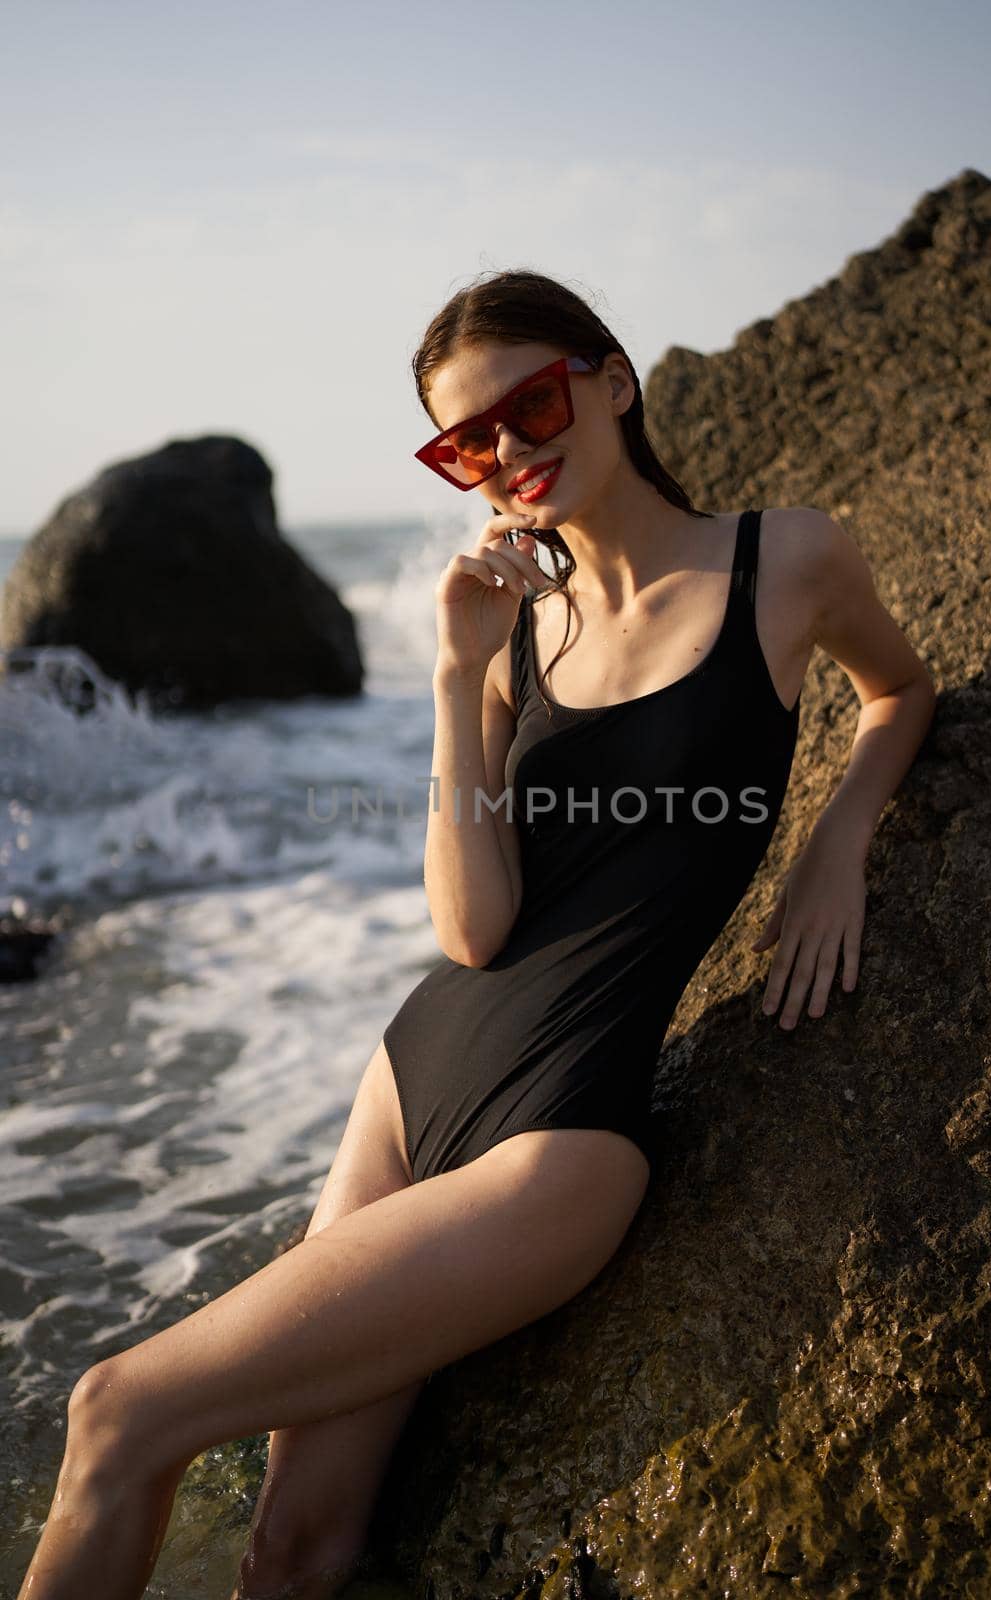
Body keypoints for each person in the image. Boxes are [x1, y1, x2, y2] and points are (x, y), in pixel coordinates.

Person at [18, 269, 937, 1600]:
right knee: (296, 1548)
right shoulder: (520, 633)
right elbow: (471, 925)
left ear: (612, 380)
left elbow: (899, 690)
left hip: (560, 1138)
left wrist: (835, 845)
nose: (507, 451)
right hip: (414, 1078)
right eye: (467, 442)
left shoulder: (782, 559)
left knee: (116, 1409)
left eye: (533, 403)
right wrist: (459, 672)